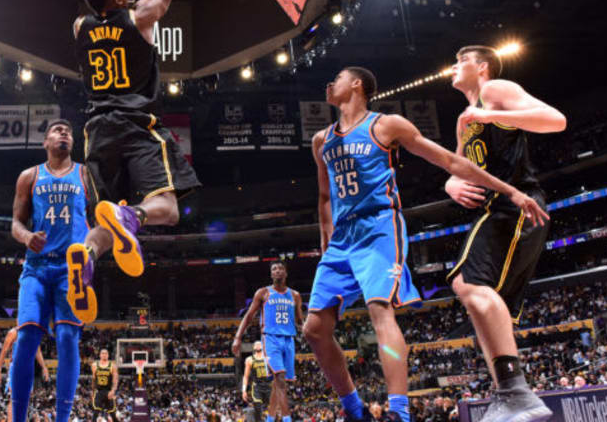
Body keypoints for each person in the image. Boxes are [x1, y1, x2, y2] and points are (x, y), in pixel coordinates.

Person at [301, 67, 549, 422]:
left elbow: (450, 160)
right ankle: (355, 411)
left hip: (379, 228)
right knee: (314, 330)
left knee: (378, 310)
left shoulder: (386, 125)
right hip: (342, 239)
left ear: (357, 84)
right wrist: (326, 238)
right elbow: (325, 196)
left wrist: (510, 190)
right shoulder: (321, 140)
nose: (329, 83)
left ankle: (399, 413)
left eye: (336, 77)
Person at [65, 0, 216, 322]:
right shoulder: (141, 15)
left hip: (96, 131)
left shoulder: (80, 27)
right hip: (136, 124)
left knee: (104, 218)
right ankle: (132, 216)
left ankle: (88, 254)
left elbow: (91, 9)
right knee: (166, 208)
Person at [446, 45, 566, 422]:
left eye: (461, 60)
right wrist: (451, 183)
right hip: (497, 211)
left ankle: (517, 392)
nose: (453, 65)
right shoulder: (465, 119)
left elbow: (555, 119)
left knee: (467, 284)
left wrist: (491, 112)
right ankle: (507, 391)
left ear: (481, 67)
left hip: (516, 204)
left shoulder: (494, 90)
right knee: (480, 304)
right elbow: (457, 165)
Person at [8, 119, 90, 422]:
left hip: (72, 269)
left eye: (68, 130)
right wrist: (27, 236)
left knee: (68, 336)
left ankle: (63, 419)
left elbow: (99, 219)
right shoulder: (29, 176)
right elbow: (15, 223)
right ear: (45, 142)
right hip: (37, 268)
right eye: (57, 130)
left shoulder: (85, 174)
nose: (64, 132)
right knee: (27, 336)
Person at [233, 263, 303, 422]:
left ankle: (270, 419)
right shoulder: (263, 293)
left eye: (280, 269)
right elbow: (249, 315)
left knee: (279, 384)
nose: (277, 271)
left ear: (286, 273)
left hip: (289, 340)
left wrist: (310, 330)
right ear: (271, 275)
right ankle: (287, 419)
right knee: (280, 378)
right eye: (274, 269)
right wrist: (238, 337)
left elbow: (300, 321)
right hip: (270, 339)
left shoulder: (295, 296)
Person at [0, 326, 50, 422]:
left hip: (29, 368)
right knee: (14, 398)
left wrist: (44, 368)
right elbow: (3, 352)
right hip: (16, 367)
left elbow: (38, 351)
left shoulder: (34, 333)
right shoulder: (13, 332)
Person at [240, 341, 271, 422]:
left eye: (259, 344)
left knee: (272, 408)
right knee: (257, 408)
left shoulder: (269, 358)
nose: (257, 345)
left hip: (269, 385)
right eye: (256, 344)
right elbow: (246, 377)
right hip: (257, 386)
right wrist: (244, 390)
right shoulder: (249, 360)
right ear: (253, 348)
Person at [91, 348, 118, 421]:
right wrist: (92, 392)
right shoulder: (94, 365)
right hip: (99, 391)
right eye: (102, 353)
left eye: (106, 353)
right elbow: (93, 379)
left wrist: (113, 391)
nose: (104, 355)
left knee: (113, 414)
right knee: (95, 413)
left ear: (108, 355)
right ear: (100, 355)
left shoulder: (112, 366)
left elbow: (115, 379)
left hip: (108, 391)